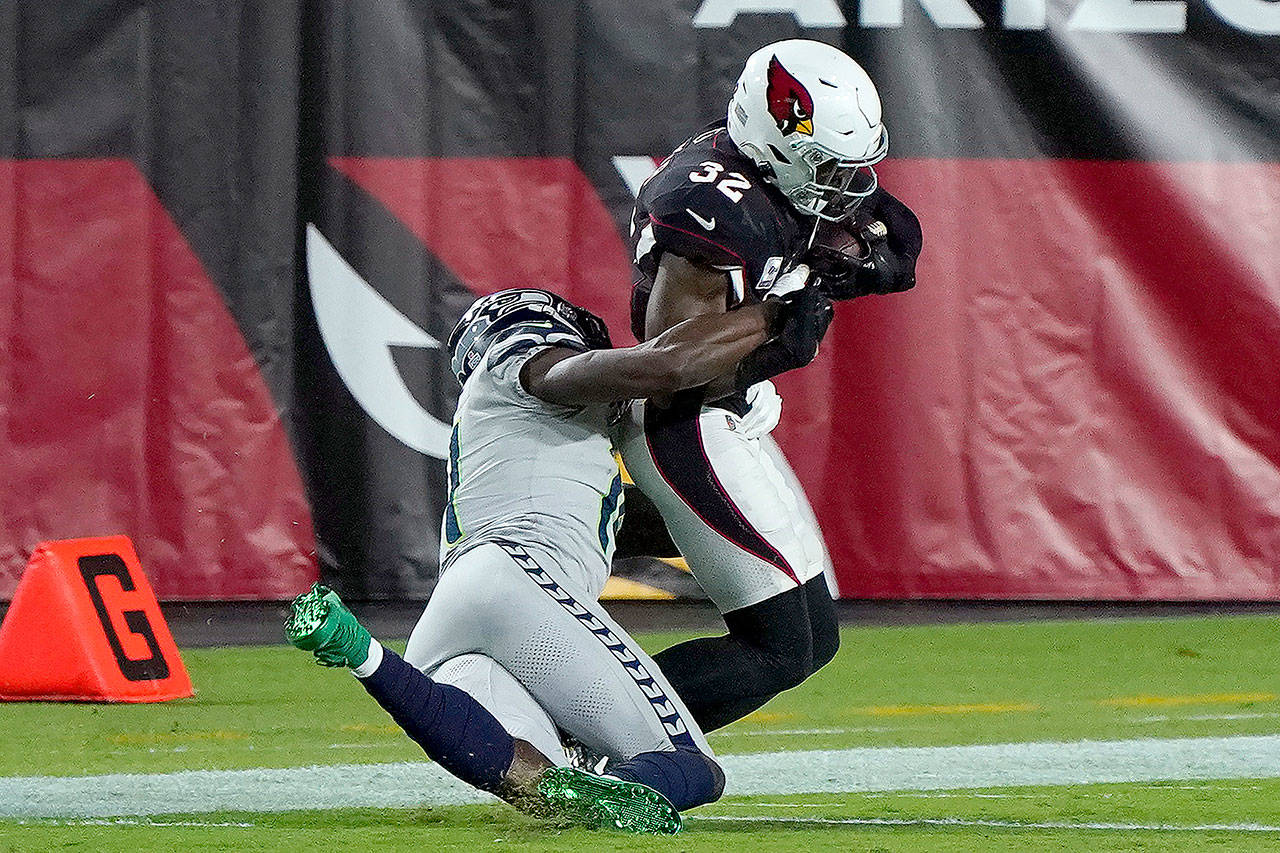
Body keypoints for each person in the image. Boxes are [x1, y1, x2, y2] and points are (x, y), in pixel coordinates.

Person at [286, 282, 831, 833]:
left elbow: (640, 499)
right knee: (691, 769)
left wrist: (733, 387)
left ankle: (362, 655)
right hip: (518, 583)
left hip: (456, 605)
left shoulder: (535, 435)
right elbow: (635, 372)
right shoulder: (526, 366)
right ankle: (624, 783)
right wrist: (766, 333)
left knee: (542, 781)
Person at [618, 39, 923, 732]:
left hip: (733, 411)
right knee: (777, 647)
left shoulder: (778, 171)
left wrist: (835, 266)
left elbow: (895, 236)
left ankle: (596, 721)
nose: (847, 188)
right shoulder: (710, 200)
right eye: (830, 169)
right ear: (775, 138)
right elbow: (671, 368)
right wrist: (777, 338)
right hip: (687, 420)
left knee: (812, 641)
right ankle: (581, 739)